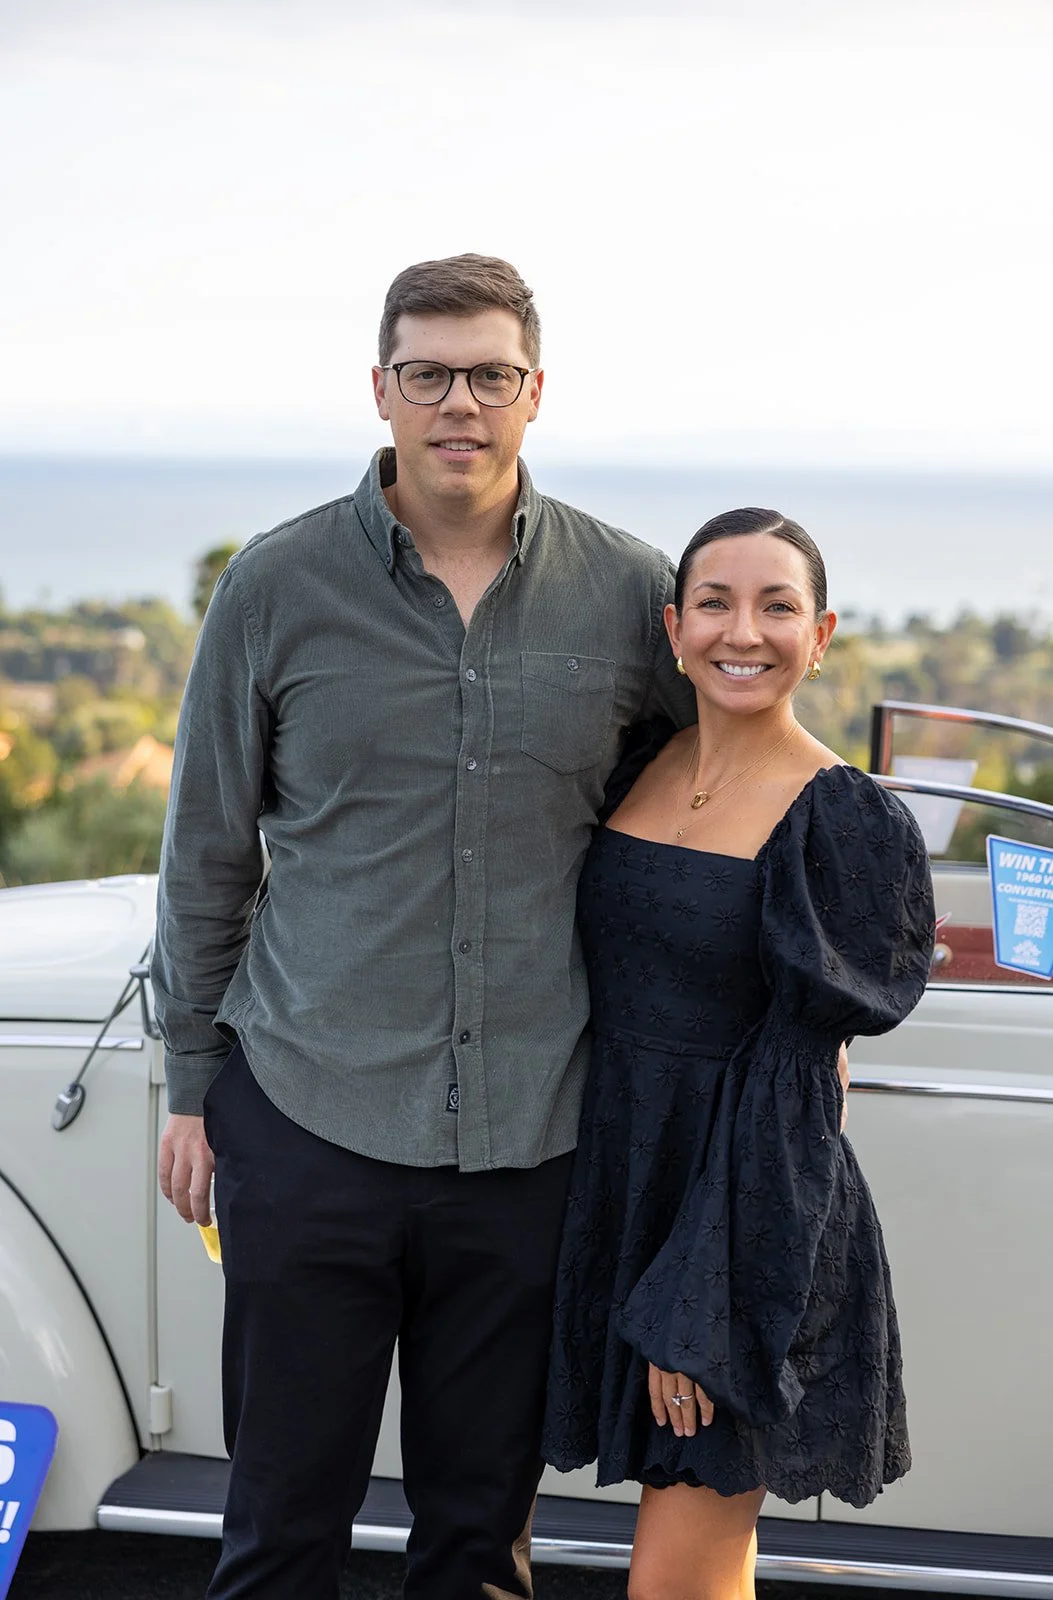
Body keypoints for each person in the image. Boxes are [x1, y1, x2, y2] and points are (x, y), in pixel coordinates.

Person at [151, 253, 694, 1600]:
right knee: (278, 1531)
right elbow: (208, 853)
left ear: (535, 392)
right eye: (430, 373)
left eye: (490, 375)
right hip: (308, 1114)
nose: (461, 402)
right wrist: (187, 1089)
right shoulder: (275, 587)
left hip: (533, 1139)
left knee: (479, 1543)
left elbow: (703, 822)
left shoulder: (630, 593)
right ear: (381, 389)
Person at [542, 508, 935, 1600]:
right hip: (622, 1186)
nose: (742, 631)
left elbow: (805, 1085)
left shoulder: (843, 821)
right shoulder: (635, 765)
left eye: (777, 606)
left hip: (750, 1222)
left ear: (822, 635)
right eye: (715, 601)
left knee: (677, 1578)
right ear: (675, 626)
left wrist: (700, 1303)